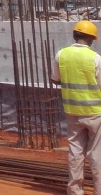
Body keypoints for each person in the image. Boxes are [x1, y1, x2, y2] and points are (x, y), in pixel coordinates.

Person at [51, 20, 101, 195]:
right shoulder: (95, 58)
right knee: (96, 153)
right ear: (92, 39)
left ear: (74, 35)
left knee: (75, 151)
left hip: (72, 111)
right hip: (95, 113)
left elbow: (54, 79)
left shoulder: (61, 54)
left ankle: (74, 191)